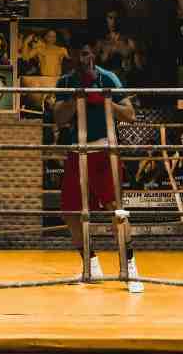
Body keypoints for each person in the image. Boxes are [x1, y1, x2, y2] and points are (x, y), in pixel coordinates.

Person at [54, 33, 142, 292]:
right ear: (71, 55)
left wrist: (105, 100)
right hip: (76, 151)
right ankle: (91, 264)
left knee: (116, 210)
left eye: (89, 53)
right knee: (71, 213)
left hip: (104, 150)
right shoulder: (66, 81)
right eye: (80, 54)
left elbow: (130, 115)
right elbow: (59, 118)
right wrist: (77, 97)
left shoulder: (109, 78)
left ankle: (130, 269)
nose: (86, 58)